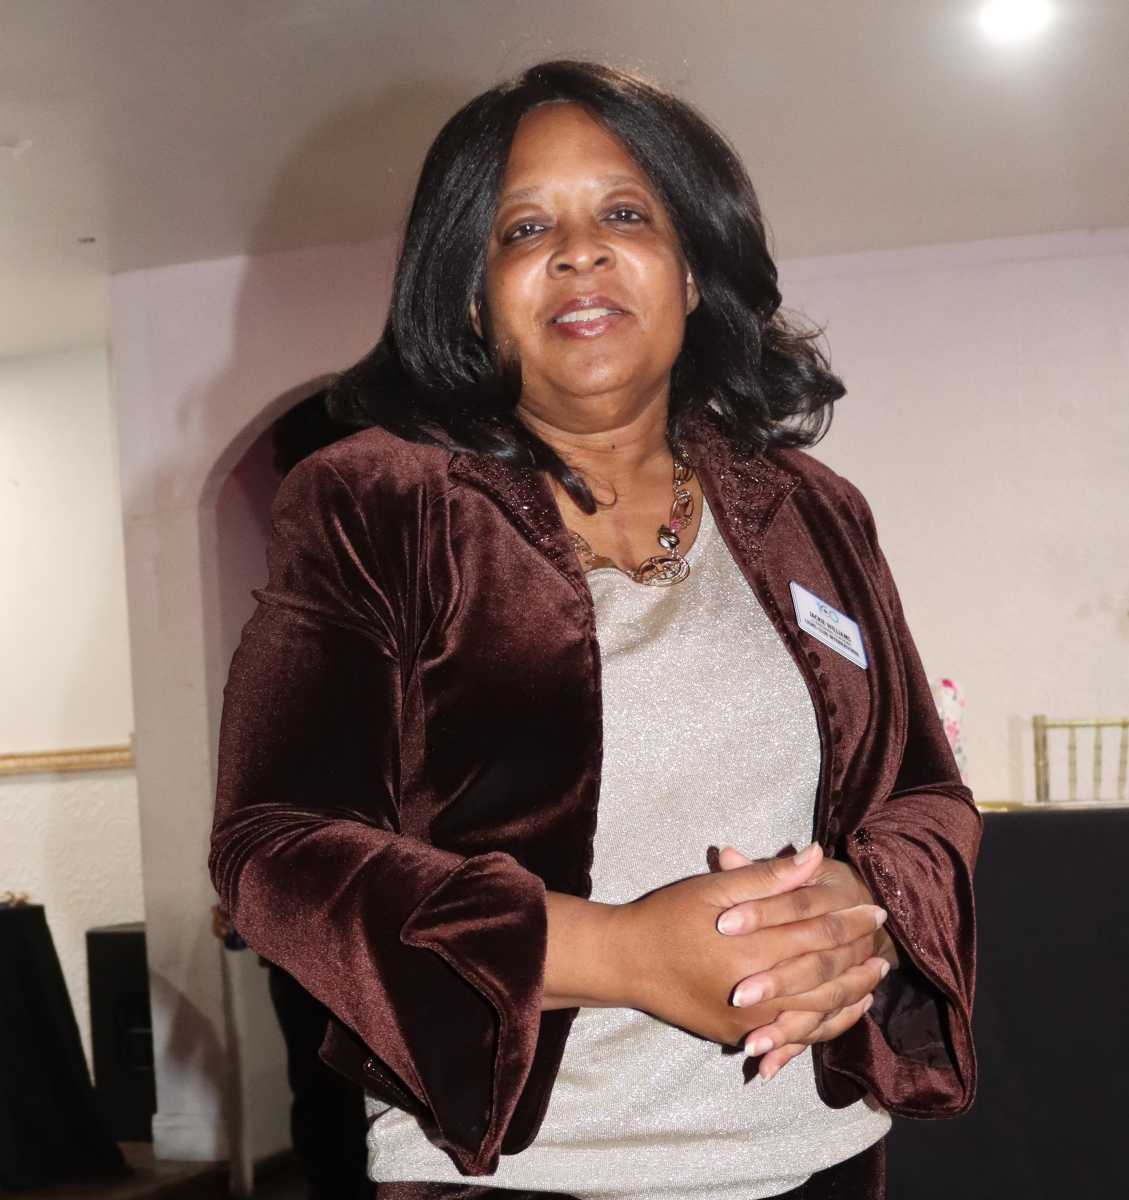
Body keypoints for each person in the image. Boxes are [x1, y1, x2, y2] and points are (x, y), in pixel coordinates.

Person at [209, 60, 979, 1200]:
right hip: (516, 1166)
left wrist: (867, 907)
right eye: (524, 228)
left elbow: (924, 794)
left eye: (625, 213)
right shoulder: (378, 503)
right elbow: (272, 848)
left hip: (814, 1154)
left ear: (695, 273)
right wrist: (620, 955)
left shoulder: (812, 510)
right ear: (471, 295)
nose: (578, 252)